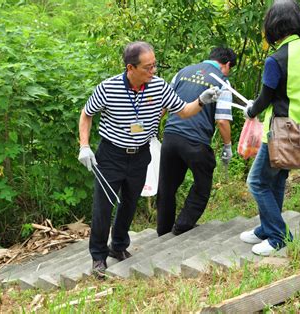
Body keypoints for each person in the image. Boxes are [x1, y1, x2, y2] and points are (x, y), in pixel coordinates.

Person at [77, 41, 220, 278]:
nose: (153, 71)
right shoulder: (108, 88)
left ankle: (119, 246)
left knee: (130, 202)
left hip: (141, 153)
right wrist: (84, 146)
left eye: (154, 66)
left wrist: (202, 101)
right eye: (148, 67)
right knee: (103, 206)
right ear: (130, 68)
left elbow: (183, 111)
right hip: (111, 154)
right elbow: (86, 114)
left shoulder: (158, 87)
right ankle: (98, 257)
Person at [239, 0, 300, 256]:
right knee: (276, 180)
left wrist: (250, 111)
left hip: (280, 131)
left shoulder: (276, 60)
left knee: (257, 182)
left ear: (273, 25)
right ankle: (266, 228)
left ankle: (278, 236)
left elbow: (265, 98)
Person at [156, 47, 237, 236]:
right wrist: (227, 146)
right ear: (226, 65)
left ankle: (163, 231)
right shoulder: (222, 81)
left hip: (171, 137)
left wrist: (153, 129)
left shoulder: (183, 72)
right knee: (203, 183)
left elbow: (163, 104)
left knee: (167, 187)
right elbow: (222, 120)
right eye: (229, 69)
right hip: (195, 141)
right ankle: (182, 226)